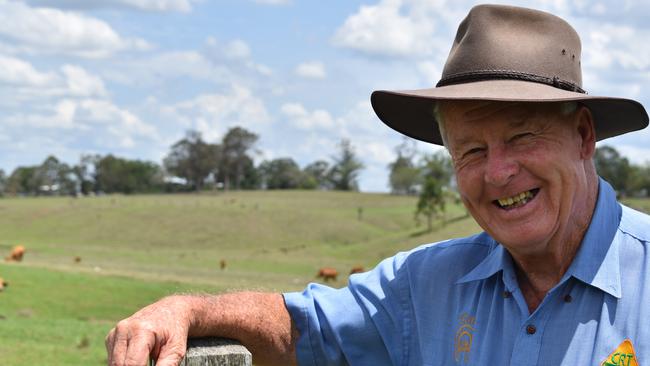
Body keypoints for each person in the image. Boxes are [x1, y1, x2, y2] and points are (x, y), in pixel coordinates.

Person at [105, 4, 650, 366]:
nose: (498, 172)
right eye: (472, 151)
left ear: (583, 136)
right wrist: (184, 311)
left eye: (522, 136)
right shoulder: (425, 285)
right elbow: (300, 328)